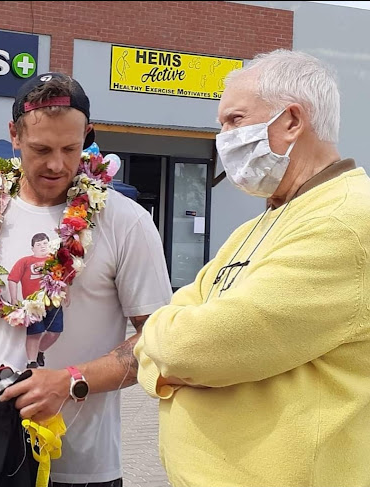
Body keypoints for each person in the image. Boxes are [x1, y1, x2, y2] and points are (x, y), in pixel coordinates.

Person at [135, 49, 370, 487]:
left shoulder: (344, 222)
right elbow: (177, 329)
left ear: (292, 121)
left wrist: (168, 347)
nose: (222, 137)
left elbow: (194, 347)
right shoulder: (261, 224)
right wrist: (166, 349)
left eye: (234, 120)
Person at [0, 72, 172, 487]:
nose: (57, 164)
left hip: (81, 465)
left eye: (71, 148)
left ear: (88, 136)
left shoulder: (126, 221)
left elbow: (159, 341)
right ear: (14, 135)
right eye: (41, 149)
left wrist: (71, 382)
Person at [7, 232, 64, 368]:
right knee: (35, 333)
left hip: (53, 301)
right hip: (33, 305)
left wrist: (67, 295)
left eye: (45, 243)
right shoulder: (24, 261)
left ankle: (40, 351)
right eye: (38, 245)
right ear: (32, 248)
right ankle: (31, 362)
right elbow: (12, 279)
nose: (42, 247)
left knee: (55, 332)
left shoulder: (55, 261)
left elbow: (65, 277)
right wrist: (14, 298)